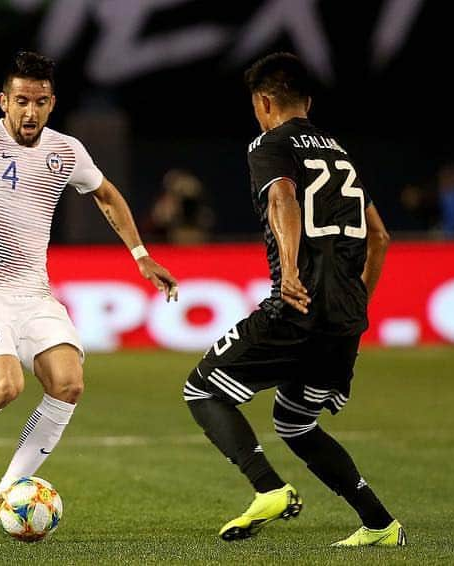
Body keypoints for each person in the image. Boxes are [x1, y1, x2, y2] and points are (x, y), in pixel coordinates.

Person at [0, 50, 178, 523]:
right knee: (3, 388)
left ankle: (3, 494)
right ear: (4, 101)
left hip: (34, 293)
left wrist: (141, 256)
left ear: (52, 103)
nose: (30, 112)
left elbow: (106, 194)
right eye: (21, 100)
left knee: (69, 383)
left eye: (40, 102)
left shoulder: (66, 151)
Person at [183, 53, 404, 547]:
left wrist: (287, 271)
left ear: (264, 102)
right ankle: (379, 524)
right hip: (347, 315)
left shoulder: (269, 144)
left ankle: (269, 489)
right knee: (295, 421)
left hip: (300, 305)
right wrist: (356, 299)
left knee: (202, 390)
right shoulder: (340, 151)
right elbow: (381, 237)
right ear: (308, 101)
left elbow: (281, 197)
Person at [147, 168, 215, 244]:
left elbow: (208, 220)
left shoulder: (200, 206)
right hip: (176, 236)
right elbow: (159, 219)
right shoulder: (167, 203)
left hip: (197, 234)